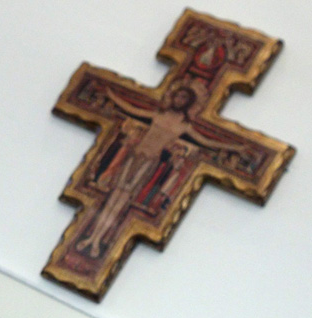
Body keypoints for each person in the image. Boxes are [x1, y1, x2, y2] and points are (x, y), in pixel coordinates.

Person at [76, 83, 246, 258]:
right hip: (134, 157)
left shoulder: (184, 126)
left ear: (189, 102)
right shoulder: (158, 114)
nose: (179, 100)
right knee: (112, 198)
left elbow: (207, 142)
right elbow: (131, 109)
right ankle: (92, 237)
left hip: (148, 163)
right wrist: (111, 94)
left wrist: (233, 147)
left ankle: (98, 240)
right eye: (178, 96)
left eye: (184, 98)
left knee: (121, 202)